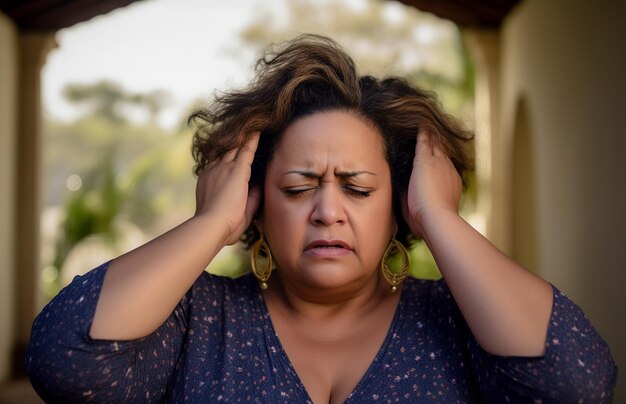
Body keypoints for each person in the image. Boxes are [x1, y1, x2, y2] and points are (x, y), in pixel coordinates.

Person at [26, 34, 616, 403]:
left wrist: (440, 217)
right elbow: (63, 362)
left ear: (399, 203)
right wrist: (211, 223)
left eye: (358, 189)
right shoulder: (196, 319)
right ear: (256, 201)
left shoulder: (463, 323)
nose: (328, 211)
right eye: (298, 187)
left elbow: (578, 384)